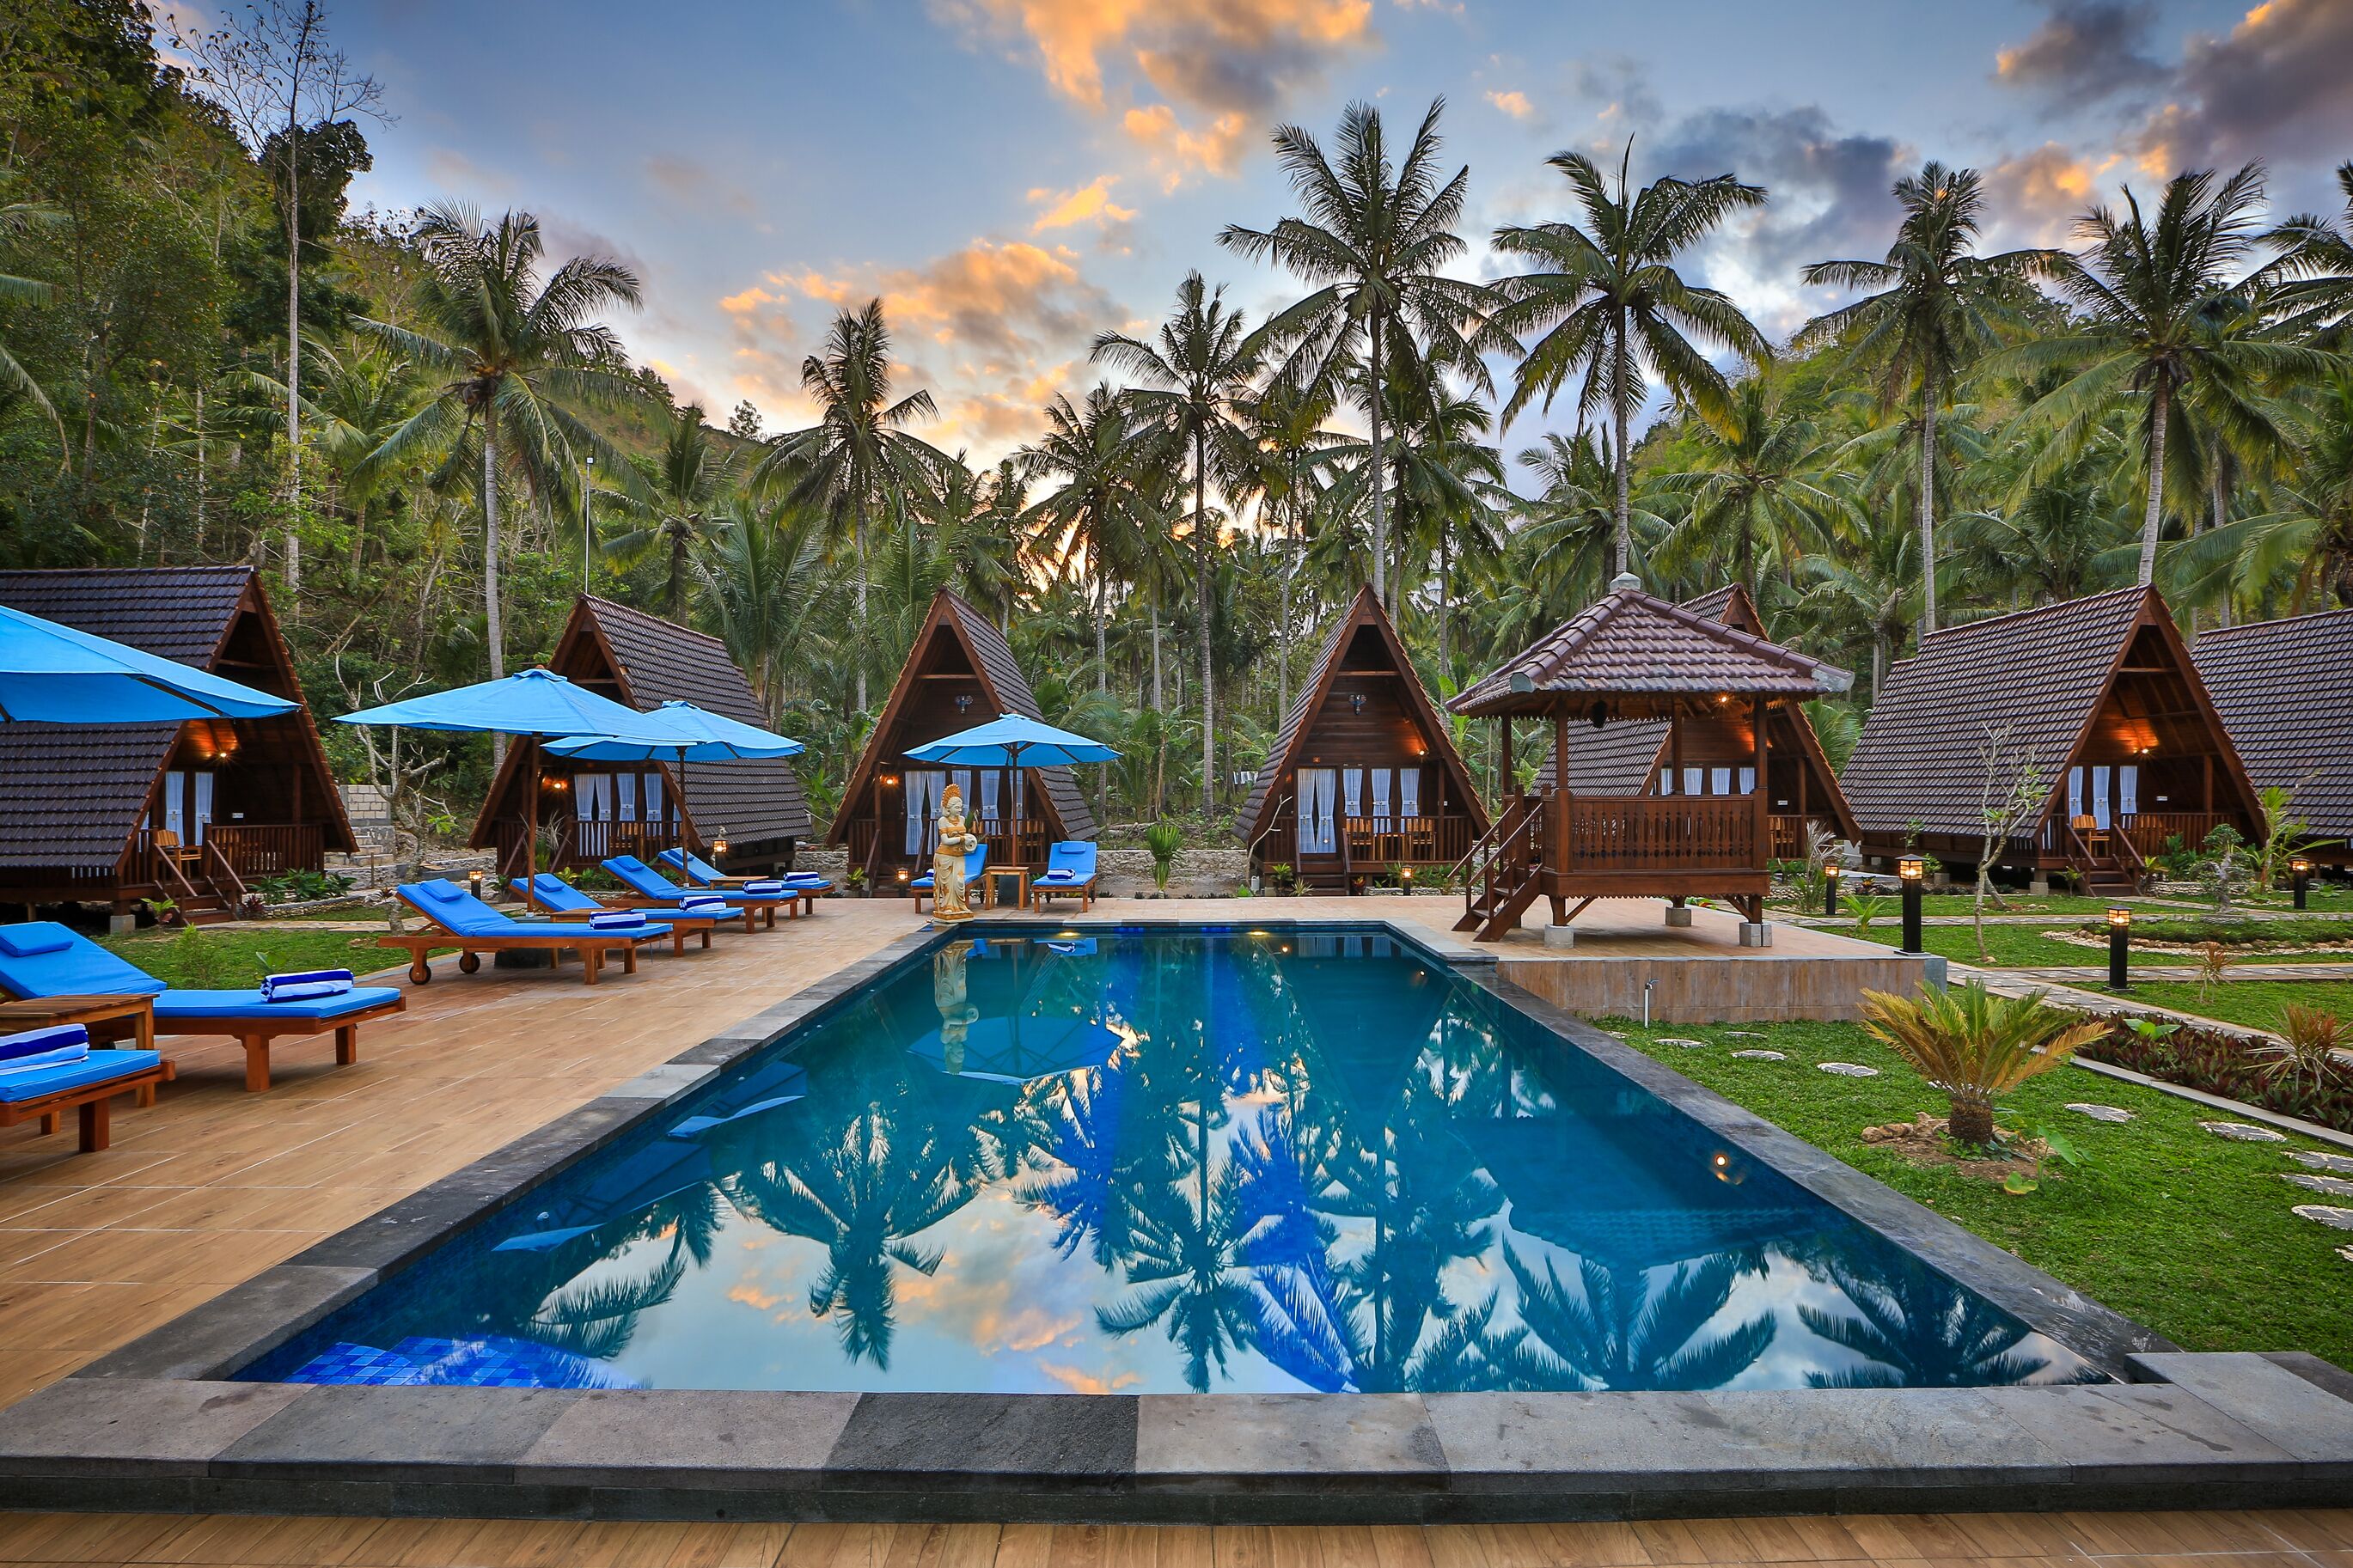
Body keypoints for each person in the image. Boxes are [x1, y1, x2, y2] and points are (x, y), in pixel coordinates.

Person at [932, 782, 980, 921]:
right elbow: (945, 841)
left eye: (960, 807)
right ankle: (948, 906)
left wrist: (968, 841)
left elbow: (964, 838)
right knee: (948, 883)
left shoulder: (963, 819)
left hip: (959, 855)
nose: (959, 810)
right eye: (957, 807)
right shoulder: (943, 821)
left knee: (959, 882)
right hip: (945, 856)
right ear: (949, 808)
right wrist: (962, 839)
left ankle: (960, 905)